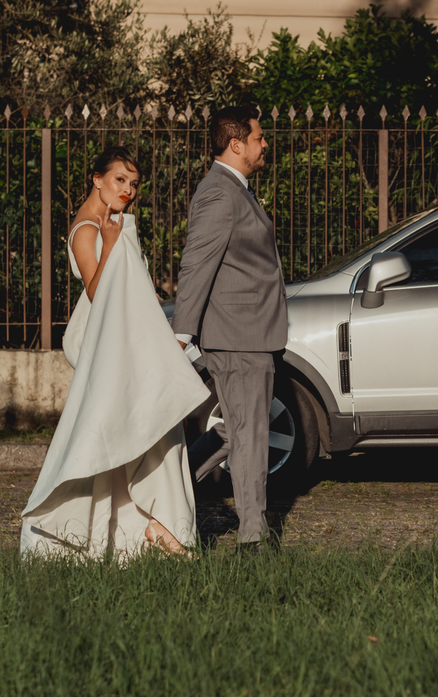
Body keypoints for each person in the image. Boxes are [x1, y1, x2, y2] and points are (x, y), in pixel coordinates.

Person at [21, 146, 211, 560]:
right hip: (109, 345)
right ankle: (136, 529)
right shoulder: (88, 229)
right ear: (97, 179)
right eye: (120, 180)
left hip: (130, 339)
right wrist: (110, 242)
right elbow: (96, 291)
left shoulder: (115, 224)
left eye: (134, 183)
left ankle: (149, 530)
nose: (128, 190)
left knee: (151, 430)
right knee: (134, 431)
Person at [173, 106, 288, 550]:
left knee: (238, 430)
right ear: (236, 144)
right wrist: (182, 335)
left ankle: (167, 492)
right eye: (259, 137)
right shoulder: (220, 193)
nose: (264, 144)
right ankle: (253, 541)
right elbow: (196, 263)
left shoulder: (236, 189)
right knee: (251, 436)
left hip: (250, 333)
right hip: (238, 336)